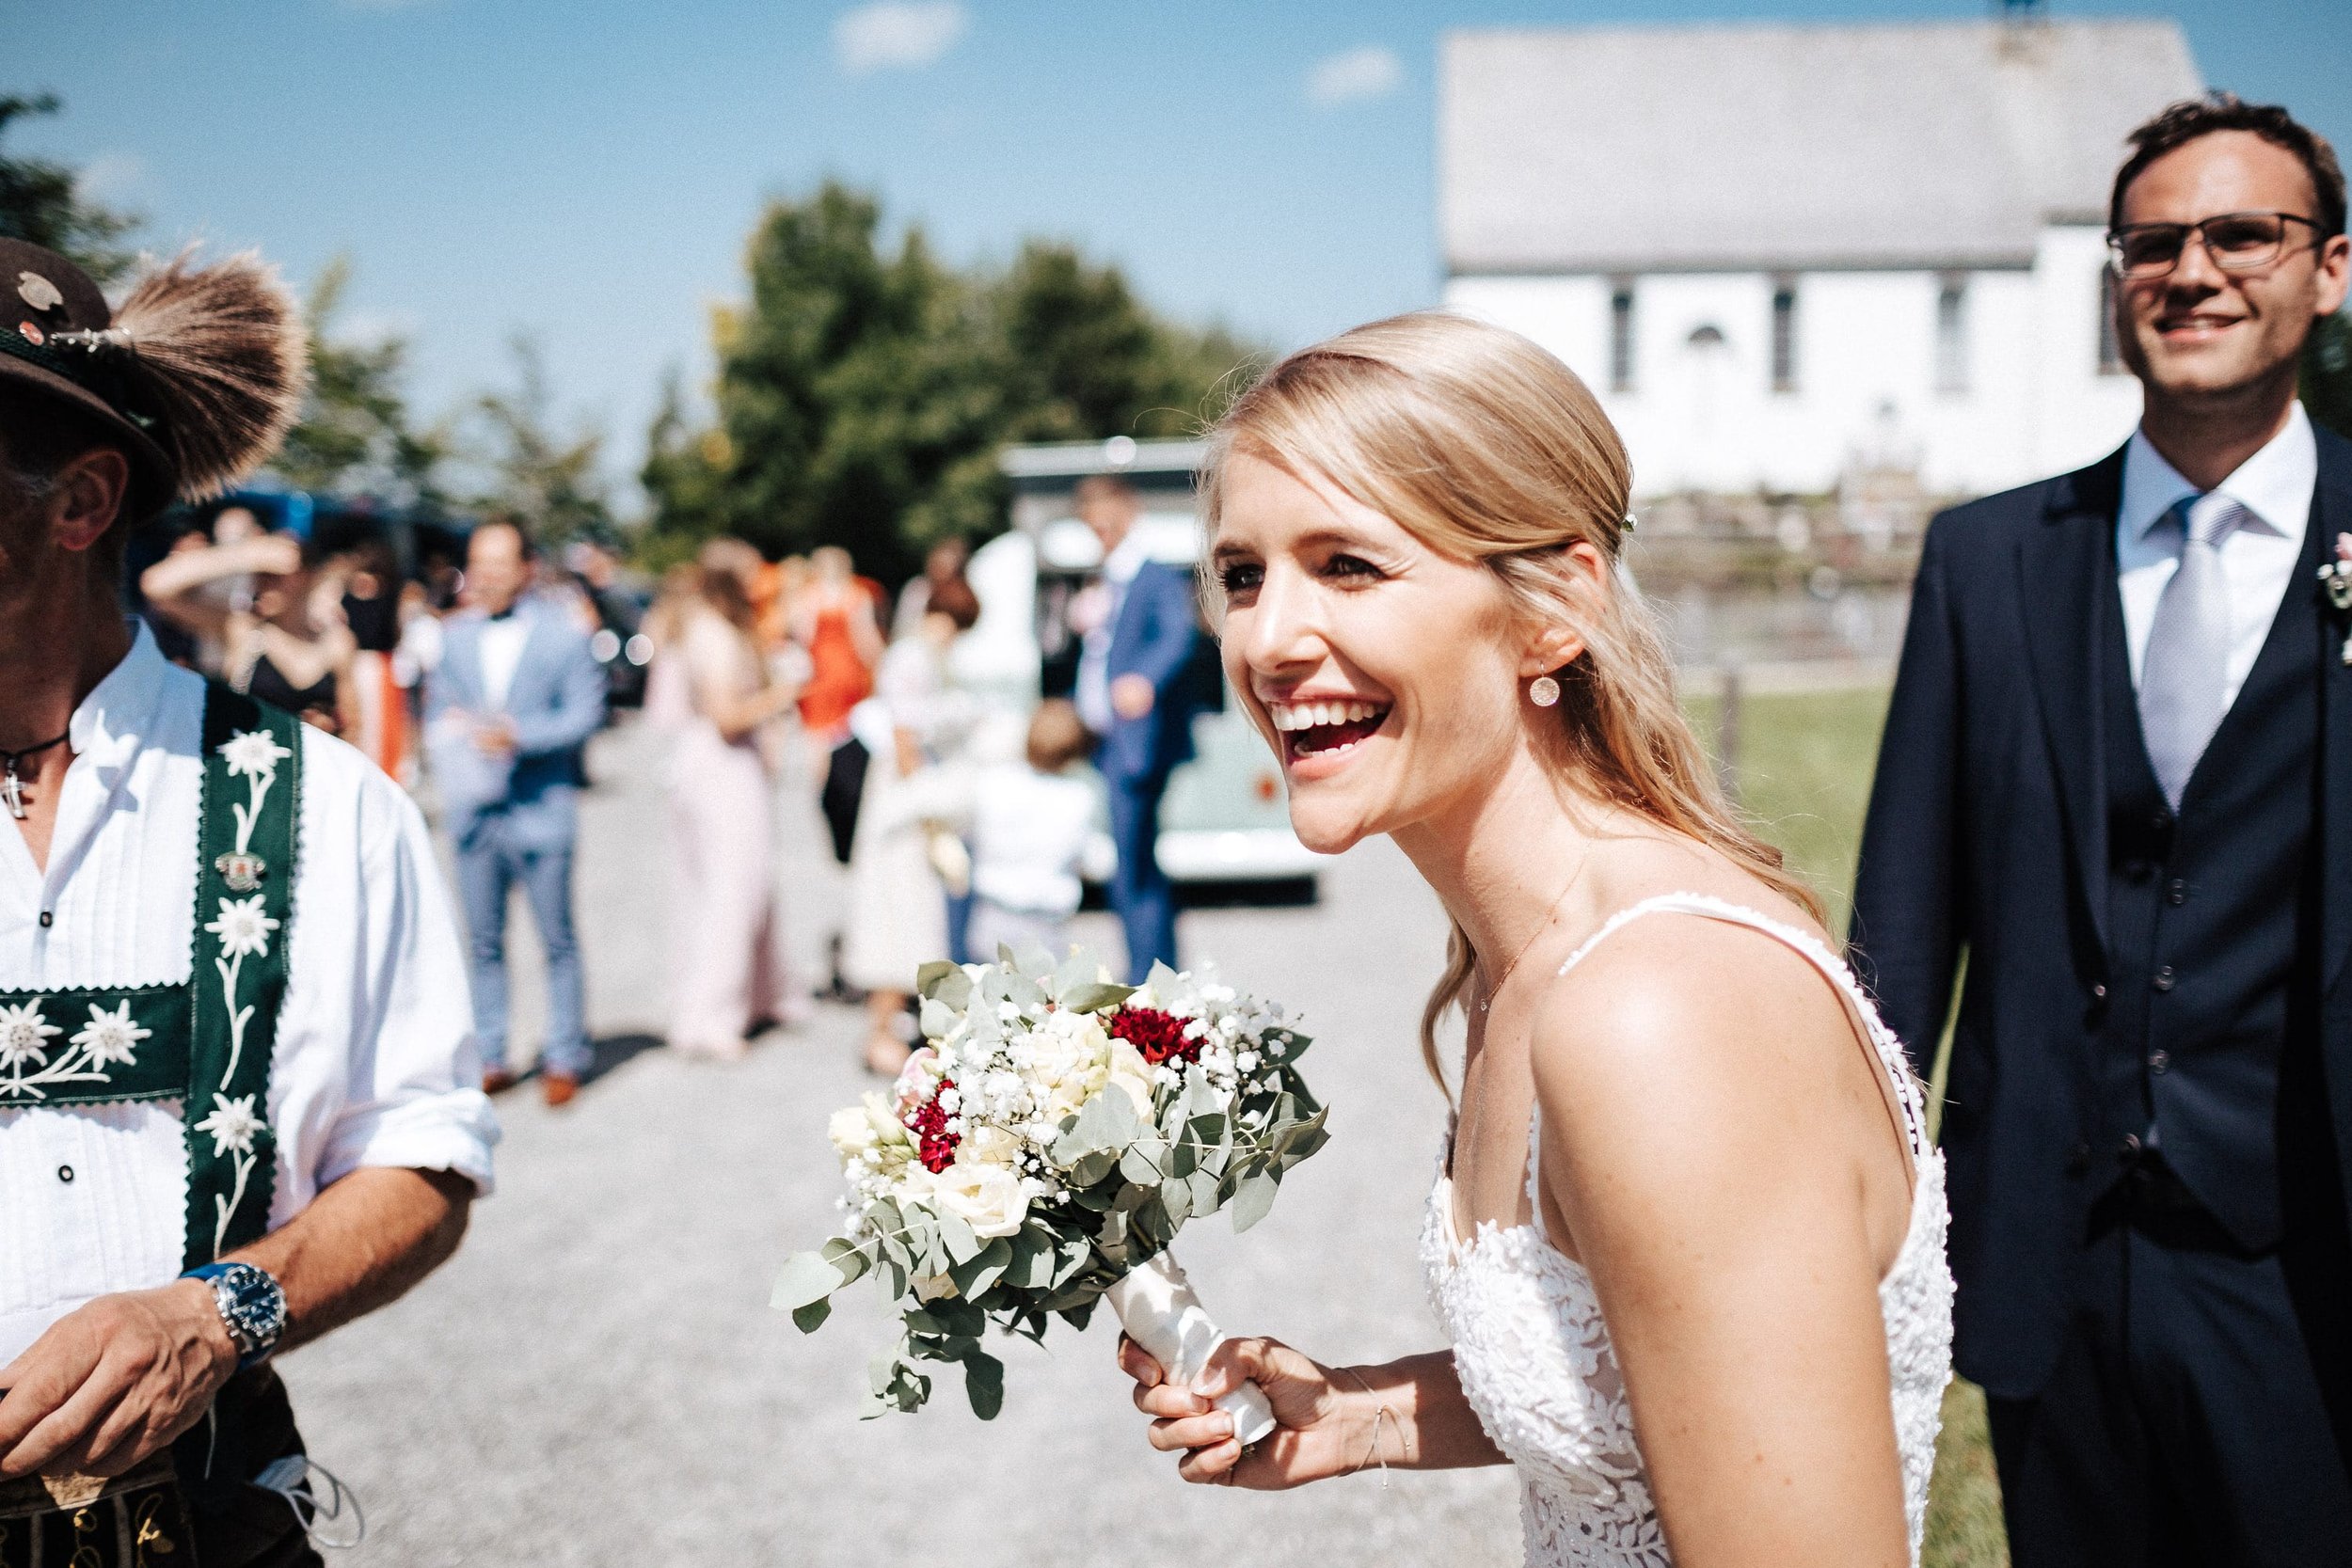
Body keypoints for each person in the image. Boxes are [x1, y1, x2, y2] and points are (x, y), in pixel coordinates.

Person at [1117, 313, 1951, 1567]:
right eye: (1243, 574)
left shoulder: (1660, 1012)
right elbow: (1647, 1370)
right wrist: (1357, 1413)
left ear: (1555, 605)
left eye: (1347, 564)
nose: (1268, 641)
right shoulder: (1520, 965)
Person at [1850, 95, 2352, 1564]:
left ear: (2330, 269)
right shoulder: (1986, 559)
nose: (2190, 269)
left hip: (2308, 1255)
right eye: (2152, 241)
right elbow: (1900, 920)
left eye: (2241, 233)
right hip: (2047, 1251)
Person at [0, 239, 494, 1565]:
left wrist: (217, 1312)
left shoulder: (323, 807)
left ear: (81, 498)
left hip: (205, 1526)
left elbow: (425, 1156)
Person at [424, 520, 607, 1107]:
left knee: (556, 940)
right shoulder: (449, 638)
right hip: (476, 813)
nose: (487, 574)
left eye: (500, 562)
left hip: (540, 808)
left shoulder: (565, 634)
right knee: (482, 942)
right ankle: (492, 1051)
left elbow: (585, 715)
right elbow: (437, 712)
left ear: (527, 568)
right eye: (479, 562)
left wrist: (520, 736)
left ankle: (564, 1054)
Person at [659, 563, 805, 1059]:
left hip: (697, 765)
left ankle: (758, 996)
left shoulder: (691, 627)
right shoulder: (718, 635)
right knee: (735, 889)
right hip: (724, 768)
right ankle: (715, 1016)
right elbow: (727, 717)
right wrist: (782, 696)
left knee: (708, 888)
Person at [1069, 474, 1206, 979]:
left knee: (1134, 869)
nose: (1098, 532)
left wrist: (1143, 678)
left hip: (1137, 744)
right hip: (1109, 743)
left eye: (1105, 522)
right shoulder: (1108, 578)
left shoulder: (1152, 576)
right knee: (1132, 864)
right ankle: (1153, 970)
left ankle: (1149, 974)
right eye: (1092, 524)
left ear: (1127, 515)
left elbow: (1177, 634)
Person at [842, 585, 980, 1075]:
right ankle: (879, 1032)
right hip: (905, 798)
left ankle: (903, 1025)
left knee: (916, 916)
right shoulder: (912, 658)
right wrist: (929, 803)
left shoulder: (923, 656)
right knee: (895, 913)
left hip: (914, 791)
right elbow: (904, 738)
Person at [142, 527, 359, 739]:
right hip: (246, 767)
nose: (262, 584)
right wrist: (247, 553)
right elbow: (156, 588)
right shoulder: (242, 631)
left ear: (309, 577)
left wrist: (331, 731)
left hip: (309, 770)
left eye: (274, 575)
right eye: (258, 574)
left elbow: (352, 728)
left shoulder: (336, 643)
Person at [963, 698, 1096, 959]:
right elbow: (1090, 860)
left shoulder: (993, 783)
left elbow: (971, 834)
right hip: (1047, 926)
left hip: (991, 916)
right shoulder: (1079, 797)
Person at [790, 546, 886, 864]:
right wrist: (882, 667)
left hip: (820, 674)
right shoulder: (857, 594)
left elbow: (803, 635)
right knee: (846, 739)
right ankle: (847, 796)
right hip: (849, 673)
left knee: (817, 741)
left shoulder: (809, 596)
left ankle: (826, 796)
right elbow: (866, 640)